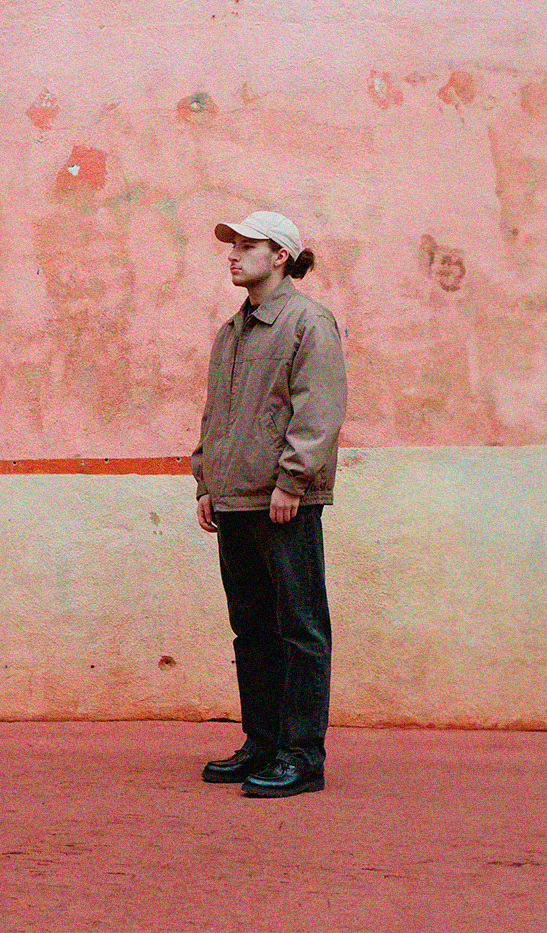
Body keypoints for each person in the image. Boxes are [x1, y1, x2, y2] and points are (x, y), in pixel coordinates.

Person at [192, 210, 347, 798]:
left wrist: (293, 481)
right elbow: (217, 414)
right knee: (252, 630)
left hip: (284, 502)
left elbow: (319, 407)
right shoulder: (232, 331)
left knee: (300, 629)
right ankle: (262, 743)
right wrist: (206, 482)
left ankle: (302, 756)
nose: (233, 254)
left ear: (281, 255)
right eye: (231, 245)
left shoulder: (308, 322)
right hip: (234, 500)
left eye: (247, 245)